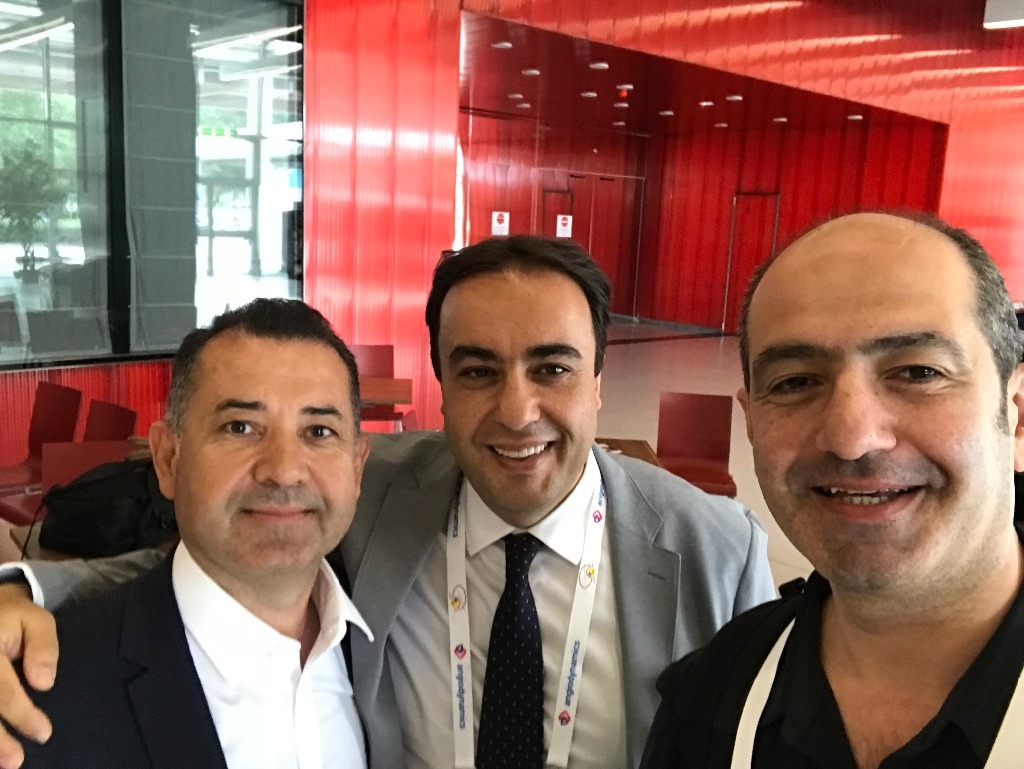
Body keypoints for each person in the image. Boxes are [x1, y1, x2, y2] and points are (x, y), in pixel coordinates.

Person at [0, 236, 776, 769]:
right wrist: (23, 591)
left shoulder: (715, 546)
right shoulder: (374, 488)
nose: (516, 411)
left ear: (600, 382)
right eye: (477, 371)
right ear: (442, 387)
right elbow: (221, 554)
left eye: (552, 369)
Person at [640, 211, 1024, 769]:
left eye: (918, 372)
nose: (851, 438)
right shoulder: (710, 698)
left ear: (1017, 415)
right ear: (751, 422)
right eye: (795, 382)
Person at [14, 299, 373, 768]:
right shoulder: (39, 702)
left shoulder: (388, 647)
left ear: (358, 466)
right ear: (167, 459)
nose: (284, 470)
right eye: (240, 427)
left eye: (319, 431)